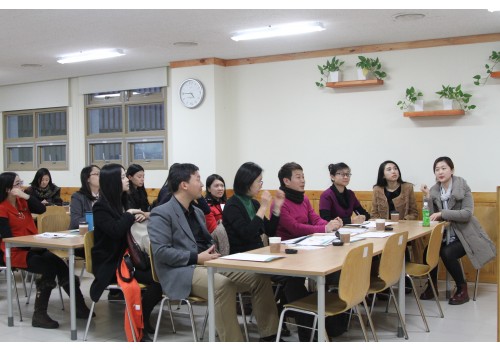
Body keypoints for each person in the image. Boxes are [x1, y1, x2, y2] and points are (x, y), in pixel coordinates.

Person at [148, 163, 282, 342]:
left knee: (259, 278)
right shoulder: (161, 213)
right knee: (222, 285)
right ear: (184, 185)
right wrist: (196, 257)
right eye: (198, 179)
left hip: (209, 262)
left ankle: (270, 336)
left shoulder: (196, 211)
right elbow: (161, 252)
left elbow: (208, 241)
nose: (202, 184)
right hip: (183, 270)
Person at [0, 172, 92, 329]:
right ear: (8, 189)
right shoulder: (2, 208)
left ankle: (79, 307)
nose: (21, 186)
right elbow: (8, 238)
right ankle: (39, 314)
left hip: (33, 246)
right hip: (14, 252)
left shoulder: (22, 202)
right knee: (48, 267)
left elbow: (41, 209)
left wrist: (27, 196)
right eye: (17, 184)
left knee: (61, 265)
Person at [89, 164, 162, 340]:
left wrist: (135, 216)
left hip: (126, 259)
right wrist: (129, 215)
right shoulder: (100, 207)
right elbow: (115, 231)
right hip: (110, 263)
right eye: (122, 177)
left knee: (160, 277)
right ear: (113, 182)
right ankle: (140, 324)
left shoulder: (123, 201)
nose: (126, 180)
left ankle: (142, 317)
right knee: (156, 281)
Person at [273, 162, 344, 341]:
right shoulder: (280, 201)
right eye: (298, 177)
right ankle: (309, 331)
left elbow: (314, 218)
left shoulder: (303, 199)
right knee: (294, 283)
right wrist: (325, 229)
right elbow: (294, 228)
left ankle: (330, 324)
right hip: (286, 253)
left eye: (303, 176)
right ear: (286, 181)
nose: (303, 180)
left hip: (307, 248)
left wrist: (330, 225)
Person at [420, 156, 496, 305]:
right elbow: (429, 216)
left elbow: (467, 213)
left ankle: (462, 288)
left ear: (452, 170)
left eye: (444, 168)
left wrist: (443, 213)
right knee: (428, 251)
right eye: (437, 169)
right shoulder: (435, 190)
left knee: (447, 253)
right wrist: (427, 196)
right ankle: (432, 286)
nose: (440, 172)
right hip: (445, 235)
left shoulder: (463, 187)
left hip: (465, 235)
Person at [223, 162, 285, 254]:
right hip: (241, 256)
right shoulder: (232, 205)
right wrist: (263, 208)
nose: (261, 185)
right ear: (247, 182)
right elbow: (246, 234)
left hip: (258, 253)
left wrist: (276, 208)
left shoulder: (254, 203)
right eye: (259, 181)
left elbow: (270, 231)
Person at [70, 165, 100, 229]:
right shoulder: (78, 197)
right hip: (81, 234)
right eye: (97, 174)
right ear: (87, 179)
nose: (101, 176)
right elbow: (75, 222)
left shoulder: (104, 196)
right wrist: (98, 217)